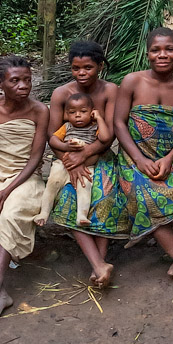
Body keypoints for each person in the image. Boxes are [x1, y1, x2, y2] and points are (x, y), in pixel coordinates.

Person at [115, 27, 173, 292]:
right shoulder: (132, 81)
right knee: (142, 193)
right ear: (148, 52)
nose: (162, 55)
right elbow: (119, 123)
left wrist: (170, 158)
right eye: (156, 50)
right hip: (134, 156)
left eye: (169, 49)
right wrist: (139, 159)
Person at [0, 56, 49, 325]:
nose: (23, 85)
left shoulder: (40, 110)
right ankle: (0, 292)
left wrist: (7, 191)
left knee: (12, 213)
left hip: (25, 177)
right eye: (15, 81)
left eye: (27, 79)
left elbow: (36, 158)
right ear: (0, 84)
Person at [47, 41, 124, 288]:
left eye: (88, 67)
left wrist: (85, 156)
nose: (82, 73)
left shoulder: (111, 91)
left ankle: (99, 262)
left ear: (100, 66)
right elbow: (53, 136)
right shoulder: (61, 94)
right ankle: (99, 265)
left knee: (105, 196)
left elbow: (108, 135)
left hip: (100, 158)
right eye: (76, 68)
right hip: (67, 159)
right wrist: (71, 162)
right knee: (69, 197)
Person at [36, 93, 111, 227]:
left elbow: (105, 138)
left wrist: (99, 118)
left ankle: (81, 216)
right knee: (52, 184)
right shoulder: (67, 127)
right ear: (66, 114)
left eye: (83, 111)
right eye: (72, 112)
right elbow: (53, 140)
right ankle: (44, 213)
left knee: (85, 187)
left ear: (91, 112)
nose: (77, 115)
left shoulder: (95, 126)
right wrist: (64, 146)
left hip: (86, 166)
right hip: (63, 163)